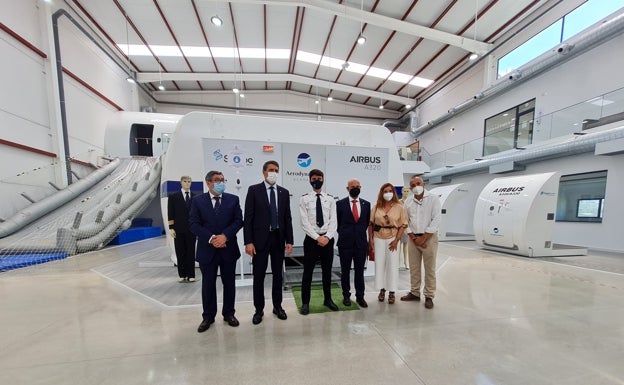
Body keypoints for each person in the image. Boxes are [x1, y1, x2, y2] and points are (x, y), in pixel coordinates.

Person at [189, 171, 243, 332]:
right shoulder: (198, 201)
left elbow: (239, 221)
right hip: (208, 250)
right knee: (208, 284)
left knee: (229, 284)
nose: (220, 182)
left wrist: (225, 236)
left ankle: (229, 314)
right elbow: (193, 224)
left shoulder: (233, 199)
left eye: (222, 180)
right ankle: (208, 316)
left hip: (228, 248)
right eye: (217, 180)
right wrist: (212, 238)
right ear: (208, 183)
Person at [244, 160, 294, 325]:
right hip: (259, 241)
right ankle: (259, 310)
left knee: (278, 275)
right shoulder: (254, 190)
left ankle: (277, 306)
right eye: (271, 170)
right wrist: (248, 242)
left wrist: (290, 240)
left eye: (276, 170)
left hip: (278, 239)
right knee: (259, 276)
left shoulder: (283, 192)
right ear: (264, 172)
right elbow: (248, 218)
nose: (273, 172)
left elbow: (287, 217)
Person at [299, 169, 338, 315]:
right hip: (311, 240)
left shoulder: (330, 198)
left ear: (323, 180)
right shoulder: (304, 199)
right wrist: (317, 237)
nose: (317, 180)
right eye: (314, 178)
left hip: (328, 240)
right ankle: (305, 303)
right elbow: (304, 222)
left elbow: (333, 221)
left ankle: (328, 299)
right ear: (310, 180)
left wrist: (327, 237)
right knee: (307, 273)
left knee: (327, 272)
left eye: (320, 178)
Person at [400, 176, 441, 309]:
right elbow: (405, 221)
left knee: (430, 269)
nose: (415, 186)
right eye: (412, 185)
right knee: (414, 267)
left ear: (423, 184)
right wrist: (413, 237)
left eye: (418, 183)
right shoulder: (408, 202)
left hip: (429, 238)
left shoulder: (433, 199)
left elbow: (436, 219)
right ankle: (415, 292)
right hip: (413, 239)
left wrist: (423, 238)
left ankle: (429, 295)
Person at [368, 183, 407, 304]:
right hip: (378, 238)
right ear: (381, 193)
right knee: (380, 265)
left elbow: (403, 225)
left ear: (394, 192)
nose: (388, 193)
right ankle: (382, 289)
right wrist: (371, 240)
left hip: (393, 238)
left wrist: (396, 240)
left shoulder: (399, 207)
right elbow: (371, 225)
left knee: (392, 265)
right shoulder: (376, 207)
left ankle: (392, 292)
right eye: (385, 191)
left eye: (390, 191)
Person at [336, 178, 370, 308]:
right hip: (345, 244)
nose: (355, 188)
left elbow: (366, 223)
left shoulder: (366, 204)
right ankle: (346, 296)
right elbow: (338, 224)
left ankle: (360, 296)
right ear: (347, 189)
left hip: (361, 244)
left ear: (360, 188)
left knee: (359, 272)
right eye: (352, 186)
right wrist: (346, 234)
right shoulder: (340, 204)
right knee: (345, 271)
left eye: (357, 186)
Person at [167, 175, 197, 283]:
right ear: (181, 182)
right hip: (178, 229)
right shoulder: (174, 197)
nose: (187, 183)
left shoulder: (195, 197)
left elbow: (197, 214)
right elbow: (170, 213)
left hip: (191, 230)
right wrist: (171, 227)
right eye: (185, 181)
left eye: (189, 181)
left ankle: (191, 274)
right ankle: (182, 274)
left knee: (191, 252)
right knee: (180, 252)